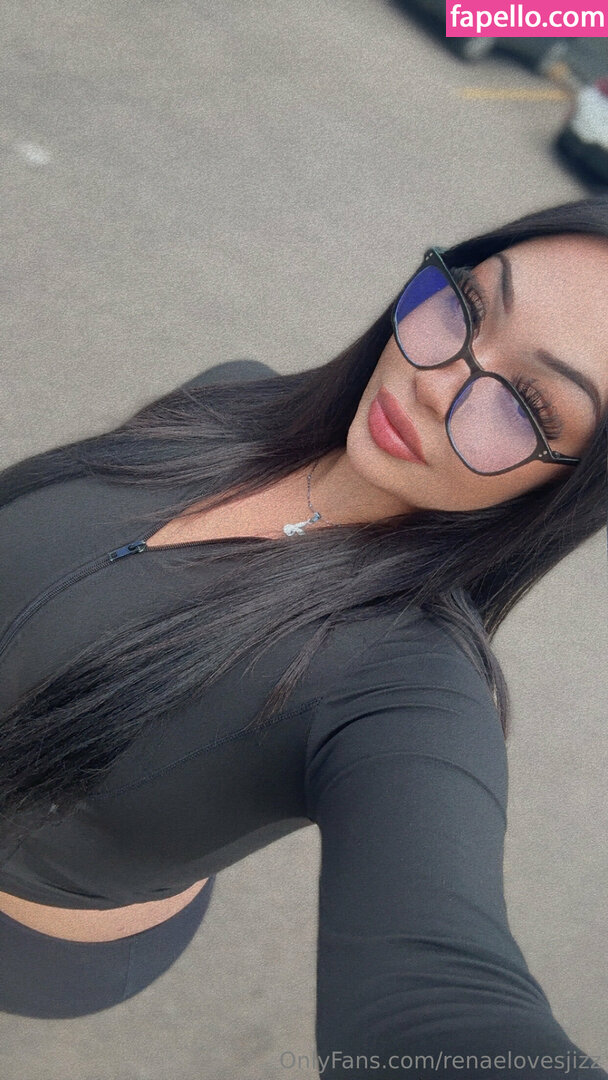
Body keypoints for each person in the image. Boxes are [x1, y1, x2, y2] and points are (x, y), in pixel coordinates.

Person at [0, 195, 606, 1077]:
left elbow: (437, 995)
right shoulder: (233, 396)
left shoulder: (408, 695)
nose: (435, 379)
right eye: (469, 305)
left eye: (527, 404)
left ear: (570, 487)